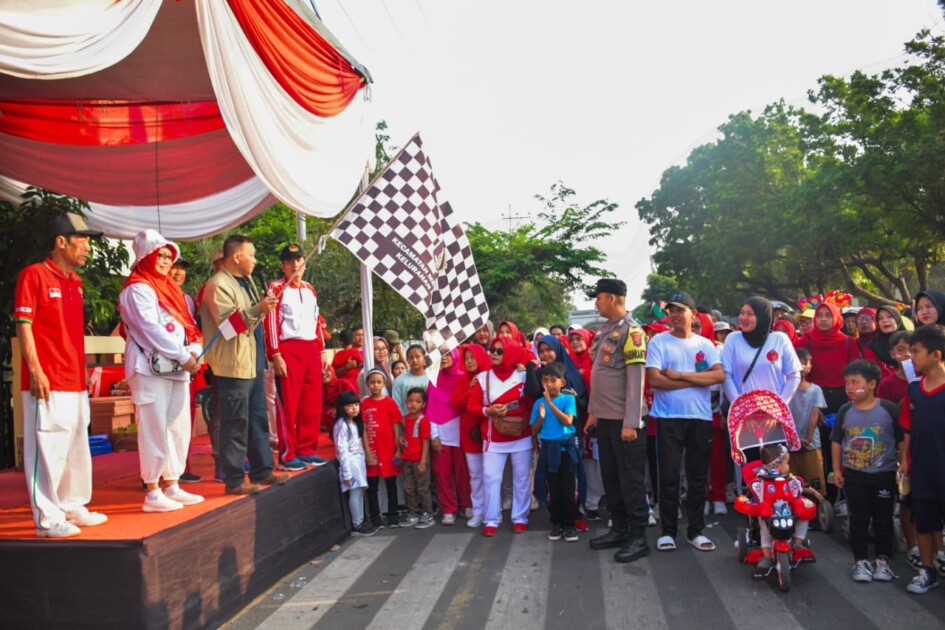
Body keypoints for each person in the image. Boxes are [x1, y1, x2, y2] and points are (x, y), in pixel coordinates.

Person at [15, 213, 108, 537]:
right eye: (82, 240)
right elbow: (23, 325)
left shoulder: (75, 282)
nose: (87, 247)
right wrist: (36, 370)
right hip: (47, 380)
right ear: (61, 242)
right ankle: (47, 518)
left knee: (75, 447)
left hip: (75, 380)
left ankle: (72, 504)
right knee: (47, 449)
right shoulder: (34, 275)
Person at [119, 230, 204, 512]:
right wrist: (184, 355)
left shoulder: (173, 291)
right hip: (149, 367)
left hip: (177, 367)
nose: (166, 261)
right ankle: (152, 490)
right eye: (161, 256)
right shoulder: (137, 289)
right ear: (147, 256)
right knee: (153, 427)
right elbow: (150, 329)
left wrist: (194, 351)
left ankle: (172, 483)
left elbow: (189, 326)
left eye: (169, 256)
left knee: (177, 427)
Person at [201, 234, 288, 495]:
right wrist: (258, 308)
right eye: (251, 255)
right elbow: (228, 328)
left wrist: (261, 307)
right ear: (237, 256)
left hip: (252, 362)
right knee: (235, 422)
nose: (254, 260)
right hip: (233, 365)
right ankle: (235, 479)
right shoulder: (218, 285)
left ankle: (262, 470)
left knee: (258, 420)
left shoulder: (246, 281)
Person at [647, 291, 724, 553]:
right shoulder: (659, 342)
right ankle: (668, 531)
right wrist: (697, 380)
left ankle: (696, 531)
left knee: (697, 477)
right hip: (668, 418)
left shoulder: (705, 344)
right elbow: (655, 380)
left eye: (681, 310)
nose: (675, 315)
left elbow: (718, 376)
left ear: (694, 314)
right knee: (668, 477)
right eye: (672, 310)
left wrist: (680, 376)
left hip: (699, 417)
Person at [584, 278, 650, 563]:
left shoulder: (632, 331)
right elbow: (601, 377)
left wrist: (631, 422)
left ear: (611, 298)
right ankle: (620, 529)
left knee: (630, 480)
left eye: (598, 297)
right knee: (611, 477)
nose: (596, 303)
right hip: (606, 419)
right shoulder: (605, 330)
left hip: (625, 422)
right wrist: (593, 413)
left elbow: (636, 379)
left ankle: (638, 537)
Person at [831, 359, 902, 584]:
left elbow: (902, 440)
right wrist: (836, 469)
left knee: (883, 518)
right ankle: (860, 560)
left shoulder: (888, 409)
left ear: (872, 384)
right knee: (858, 519)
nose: (850, 387)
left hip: (884, 474)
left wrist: (903, 465)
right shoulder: (845, 411)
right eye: (846, 383)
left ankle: (883, 560)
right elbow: (837, 441)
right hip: (854, 474)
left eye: (855, 382)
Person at [265, 244, 329, 471]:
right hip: (289, 348)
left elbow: (316, 320)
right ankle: (287, 454)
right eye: (290, 262)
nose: (295, 265)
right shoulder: (277, 287)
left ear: (305, 263)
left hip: (310, 347)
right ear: (283, 266)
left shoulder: (310, 289)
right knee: (289, 403)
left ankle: (307, 449)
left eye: (299, 260)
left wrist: (321, 350)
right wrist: (276, 353)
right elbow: (271, 322)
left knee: (311, 402)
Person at [467, 337, 533, 536]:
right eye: (492, 350)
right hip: (493, 438)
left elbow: (532, 401)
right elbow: (471, 407)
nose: (494, 354)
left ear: (511, 353)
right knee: (491, 478)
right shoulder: (483, 378)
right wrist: (488, 411)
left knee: (522, 478)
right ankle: (491, 519)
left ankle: (520, 517)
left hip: (521, 435)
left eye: (499, 351)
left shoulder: (523, 376)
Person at [899, 325, 945, 594]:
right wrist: (905, 460)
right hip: (922, 469)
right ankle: (928, 570)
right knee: (924, 523)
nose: (911, 357)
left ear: (936, 355)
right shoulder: (914, 388)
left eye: (916, 351)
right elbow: (907, 428)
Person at [530, 362, 580, 542]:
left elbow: (568, 421)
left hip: (566, 450)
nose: (549, 384)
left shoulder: (568, 399)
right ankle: (556, 523)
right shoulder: (538, 403)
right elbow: (534, 429)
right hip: (548, 450)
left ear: (562, 382)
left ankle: (569, 524)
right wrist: (541, 418)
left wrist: (550, 404)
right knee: (553, 489)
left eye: (553, 380)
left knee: (568, 488)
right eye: (545, 380)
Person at [752, 444, 820, 571]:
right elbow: (758, 495)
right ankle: (767, 555)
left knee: (803, 517)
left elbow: (798, 487)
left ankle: (797, 544)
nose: (789, 466)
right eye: (787, 463)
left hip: (788, 509)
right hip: (768, 511)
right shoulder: (762, 479)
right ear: (777, 466)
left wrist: (813, 492)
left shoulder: (788, 478)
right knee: (765, 530)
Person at [427, 348, 472, 526]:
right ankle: (448, 509)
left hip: (462, 434)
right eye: (440, 355)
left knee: (464, 473)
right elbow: (430, 409)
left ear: (455, 356)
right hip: (441, 434)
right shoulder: (434, 380)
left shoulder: (464, 378)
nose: (444, 358)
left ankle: (466, 505)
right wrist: (434, 436)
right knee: (442, 473)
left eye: (447, 354)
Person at [453, 343, 491, 527]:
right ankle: (478, 511)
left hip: (490, 431)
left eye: (472, 357)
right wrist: (469, 391)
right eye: (466, 358)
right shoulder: (463, 379)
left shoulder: (491, 376)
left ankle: (492, 511)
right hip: (470, 433)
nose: (469, 361)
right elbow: (456, 403)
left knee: (491, 474)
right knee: (475, 474)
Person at [362, 369, 404, 528]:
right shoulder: (364, 404)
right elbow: (363, 430)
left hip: (388, 450)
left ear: (384, 383)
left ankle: (393, 515)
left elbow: (395, 426)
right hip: (373, 450)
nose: (375, 385)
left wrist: (397, 449)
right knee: (372, 485)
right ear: (367, 384)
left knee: (391, 484)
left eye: (379, 382)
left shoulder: (390, 403)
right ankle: (375, 517)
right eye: (372, 382)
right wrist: (367, 452)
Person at [333, 391, 376, 536]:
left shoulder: (355, 423)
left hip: (358, 462)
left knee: (360, 491)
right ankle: (357, 523)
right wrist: (346, 473)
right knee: (355, 491)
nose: (354, 408)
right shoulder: (342, 425)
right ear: (342, 407)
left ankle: (361, 520)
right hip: (350, 463)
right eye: (350, 405)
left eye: (356, 404)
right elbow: (342, 450)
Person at [787, 348, 828, 494]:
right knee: (791, 484)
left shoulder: (815, 390)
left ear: (810, 366)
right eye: (798, 363)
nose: (802, 367)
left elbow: (814, 415)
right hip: (789, 444)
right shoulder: (785, 389)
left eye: (806, 363)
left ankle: (817, 505)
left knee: (814, 482)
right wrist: (794, 439)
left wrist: (808, 438)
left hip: (811, 443)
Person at [401, 387, 435, 529]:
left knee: (423, 488)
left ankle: (428, 513)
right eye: (410, 401)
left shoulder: (423, 420)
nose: (413, 404)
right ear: (406, 402)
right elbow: (406, 436)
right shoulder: (405, 419)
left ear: (423, 404)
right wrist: (401, 439)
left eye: (417, 401)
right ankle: (413, 512)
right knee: (409, 487)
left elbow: (425, 442)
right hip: (407, 459)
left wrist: (423, 462)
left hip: (420, 459)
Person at [392, 344, 430, 414]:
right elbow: (396, 406)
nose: (414, 360)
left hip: (429, 419)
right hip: (406, 420)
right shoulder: (399, 380)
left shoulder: (432, 379)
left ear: (424, 359)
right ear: (407, 360)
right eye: (411, 357)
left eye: (417, 357)